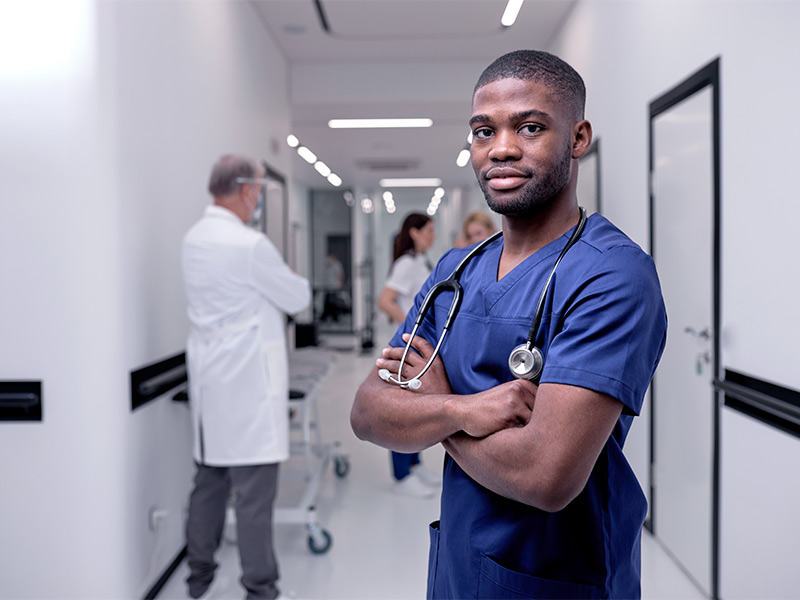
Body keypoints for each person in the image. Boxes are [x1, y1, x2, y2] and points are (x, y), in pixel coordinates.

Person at [351, 50, 667, 599]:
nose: (500, 148)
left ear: (578, 137)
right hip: (458, 564)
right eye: (482, 130)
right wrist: (462, 408)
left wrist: (426, 413)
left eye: (530, 127)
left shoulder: (612, 275)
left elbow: (545, 477)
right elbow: (367, 411)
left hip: (558, 575)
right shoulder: (458, 268)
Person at [182, 154, 311, 600]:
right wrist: (288, 279)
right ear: (246, 190)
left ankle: (198, 580)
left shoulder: (194, 239)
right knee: (254, 498)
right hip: (248, 386)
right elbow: (297, 297)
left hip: (211, 382)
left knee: (209, 484)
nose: (257, 198)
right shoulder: (248, 245)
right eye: (257, 189)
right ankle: (260, 589)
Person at [376, 213, 440, 498]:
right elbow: (385, 300)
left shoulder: (421, 262)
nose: (433, 236)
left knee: (415, 410)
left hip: (416, 348)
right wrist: (409, 328)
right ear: (413, 232)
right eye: (428, 231)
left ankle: (414, 464)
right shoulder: (406, 264)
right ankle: (402, 475)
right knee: (401, 412)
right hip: (405, 347)